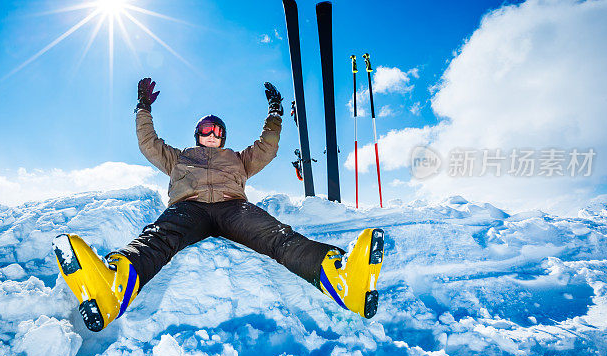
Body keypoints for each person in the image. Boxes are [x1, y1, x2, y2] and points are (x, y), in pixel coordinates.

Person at [52, 78, 385, 331]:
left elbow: (266, 148)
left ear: (223, 137)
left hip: (232, 207)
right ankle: (114, 284)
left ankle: (340, 277)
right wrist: (143, 107)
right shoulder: (178, 158)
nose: (212, 134)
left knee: (276, 236)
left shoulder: (238, 160)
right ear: (198, 134)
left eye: (217, 131)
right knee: (160, 236)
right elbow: (148, 143)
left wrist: (275, 114)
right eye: (206, 130)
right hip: (189, 207)